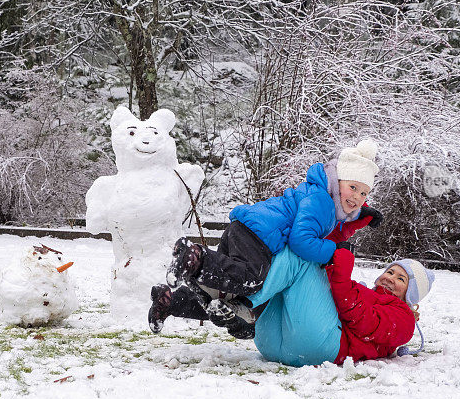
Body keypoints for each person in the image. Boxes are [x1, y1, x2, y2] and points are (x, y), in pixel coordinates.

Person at [149, 139, 383, 335]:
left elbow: (334, 223)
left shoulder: (324, 198)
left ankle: (169, 301)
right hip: (258, 235)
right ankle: (197, 257)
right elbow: (301, 241)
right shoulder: (322, 201)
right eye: (353, 187)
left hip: (243, 228)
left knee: (225, 290)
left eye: (364, 193)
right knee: (251, 279)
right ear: (338, 180)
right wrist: (334, 252)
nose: (357, 197)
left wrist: (361, 216)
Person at [250, 246, 435, 367]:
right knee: (287, 250)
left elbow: (364, 323)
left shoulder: (404, 318)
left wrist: (341, 277)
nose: (390, 277)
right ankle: (243, 306)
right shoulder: (364, 291)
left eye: (401, 279)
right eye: (390, 271)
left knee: (303, 257)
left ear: (410, 294)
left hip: (321, 346)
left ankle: (248, 301)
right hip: (268, 344)